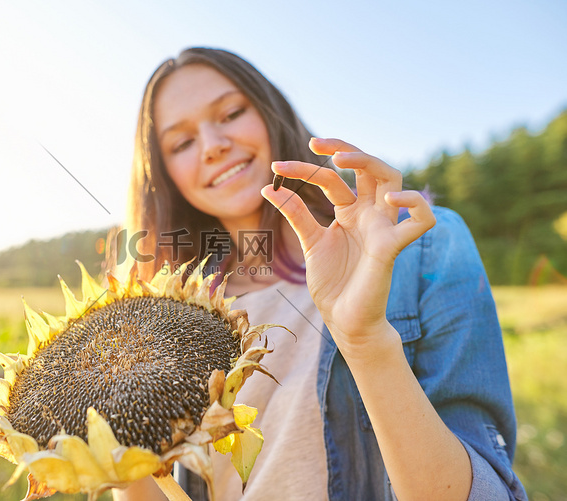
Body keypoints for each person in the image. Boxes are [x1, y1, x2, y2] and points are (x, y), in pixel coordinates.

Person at [112, 47, 527, 500]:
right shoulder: (170, 317)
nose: (213, 145)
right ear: (164, 173)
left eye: (230, 113)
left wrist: (365, 341)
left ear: (270, 112)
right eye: (182, 143)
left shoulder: (422, 246)